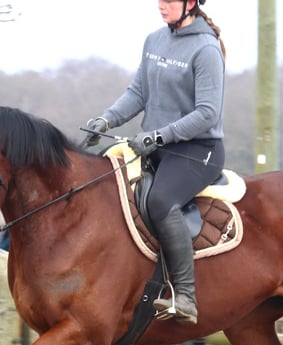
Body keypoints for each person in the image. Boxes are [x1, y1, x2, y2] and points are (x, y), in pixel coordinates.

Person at [86, 0, 226, 325]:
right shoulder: (155, 40)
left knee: (160, 200)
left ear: (191, 3)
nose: (161, 6)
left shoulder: (206, 49)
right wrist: (106, 120)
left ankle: (186, 295)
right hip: (157, 145)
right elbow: (138, 92)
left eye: (169, 1)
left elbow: (207, 114)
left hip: (197, 150)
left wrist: (159, 136)